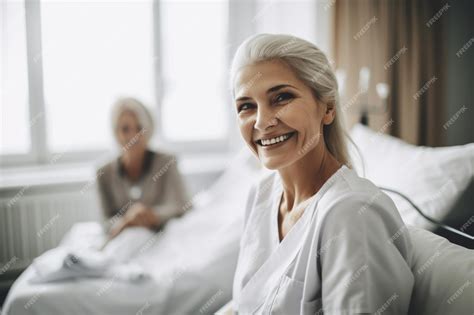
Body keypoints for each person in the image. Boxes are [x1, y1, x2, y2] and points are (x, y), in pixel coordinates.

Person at [230, 34, 414, 314]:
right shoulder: (262, 193)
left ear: (327, 108)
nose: (262, 122)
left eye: (281, 98)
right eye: (247, 106)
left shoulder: (352, 213)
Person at [97, 97, 189, 239]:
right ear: (116, 133)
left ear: (149, 130)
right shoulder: (103, 172)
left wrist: (150, 215)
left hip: (161, 239)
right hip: (124, 241)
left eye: (139, 128)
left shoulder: (167, 162)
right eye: (125, 129)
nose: (133, 136)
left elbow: (181, 205)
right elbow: (105, 221)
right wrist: (127, 221)